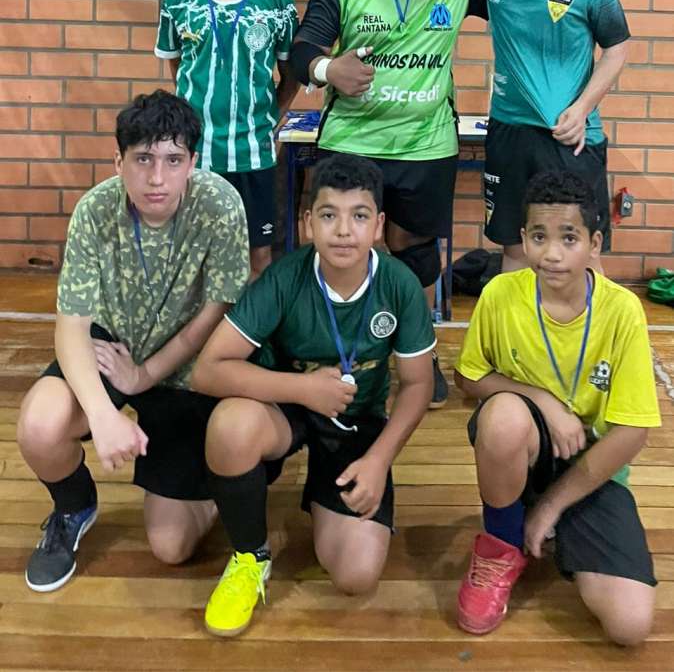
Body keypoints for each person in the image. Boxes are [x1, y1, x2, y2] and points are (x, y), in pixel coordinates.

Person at [330, 0, 627, 274]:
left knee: (583, 251)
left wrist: (582, 109)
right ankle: (514, 321)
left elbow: (617, 48)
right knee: (515, 248)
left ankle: (585, 322)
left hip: (572, 133)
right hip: (509, 129)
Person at [191, 154, 435, 637]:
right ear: (307, 223)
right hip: (288, 410)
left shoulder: (400, 285)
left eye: (359, 216)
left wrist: (380, 460)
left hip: (356, 422)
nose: (343, 230)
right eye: (328, 215)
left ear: (379, 226)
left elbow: (418, 384)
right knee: (231, 425)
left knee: (356, 575)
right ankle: (249, 557)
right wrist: (304, 389)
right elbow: (208, 370)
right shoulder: (285, 278)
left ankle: (331, 490)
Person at [17, 90, 250, 593]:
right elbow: (72, 326)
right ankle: (73, 508)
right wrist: (102, 414)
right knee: (39, 425)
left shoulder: (220, 205)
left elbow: (215, 312)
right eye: (143, 159)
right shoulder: (95, 210)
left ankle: (208, 485)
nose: (157, 177)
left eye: (173, 160)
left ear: (193, 162)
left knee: (171, 547)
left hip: (184, 365)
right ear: (118, 161)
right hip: (113, 343)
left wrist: (145, 376)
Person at [289, 0, 489, 408]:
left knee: (415, 252)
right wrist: (329, 69)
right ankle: (330, 351)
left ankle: (419, 356)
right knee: (340, 246)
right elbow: (302, 49)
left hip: (427, 145)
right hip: (353, 142)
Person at [454, 170, 660, 644]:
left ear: (594, 243)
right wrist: (544, 400)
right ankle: (501, 544)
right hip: (527, 445)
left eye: (569, 238)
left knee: (629, 625)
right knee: (503, 417)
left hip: (591, 465)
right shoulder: (500, 295)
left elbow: (633, 433)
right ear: (523, 238)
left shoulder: (622, 310)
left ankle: (550, 516)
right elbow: (469, 377)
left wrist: (551, 506)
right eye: (539, 236)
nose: (551, 253)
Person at [155, 0, 299, 278]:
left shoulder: (278, 3)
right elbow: (177, 66)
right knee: (193, 252)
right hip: (194, 153)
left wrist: (273, 116)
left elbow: (291, 74)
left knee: (259, 256)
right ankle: (197, 320)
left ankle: (250, 321)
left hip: (253, 152)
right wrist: (192, 117)